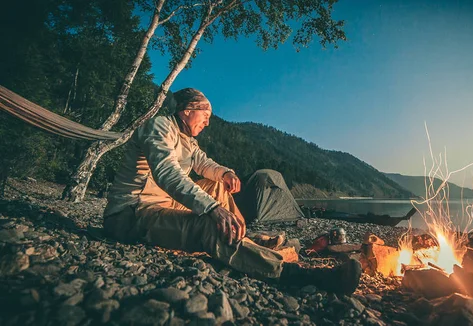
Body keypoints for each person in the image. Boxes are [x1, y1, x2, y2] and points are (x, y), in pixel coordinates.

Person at [102, 88, 361, 294]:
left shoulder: (188, 141)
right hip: (132, 212)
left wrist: (225, 173)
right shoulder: (159, 127)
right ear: (187, 111)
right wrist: (212, 209)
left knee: (216, 184)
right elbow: (167, 173)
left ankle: (239, 235)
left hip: (164, 205)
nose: (208, 121)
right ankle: (297, 275)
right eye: (205, 114)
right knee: (208, 225)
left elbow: (204, 164)